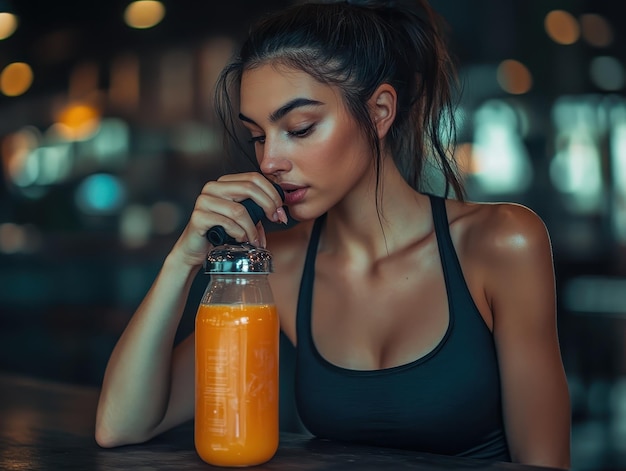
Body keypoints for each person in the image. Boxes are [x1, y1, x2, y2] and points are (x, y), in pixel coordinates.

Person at [95, 0, 571, 468]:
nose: (268, 162)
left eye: (299, 128)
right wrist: (182, 260)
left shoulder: (501, 242)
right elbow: (123, 425)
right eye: (258, 135)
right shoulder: (278, 269)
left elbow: (544, 461)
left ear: (381, 111)